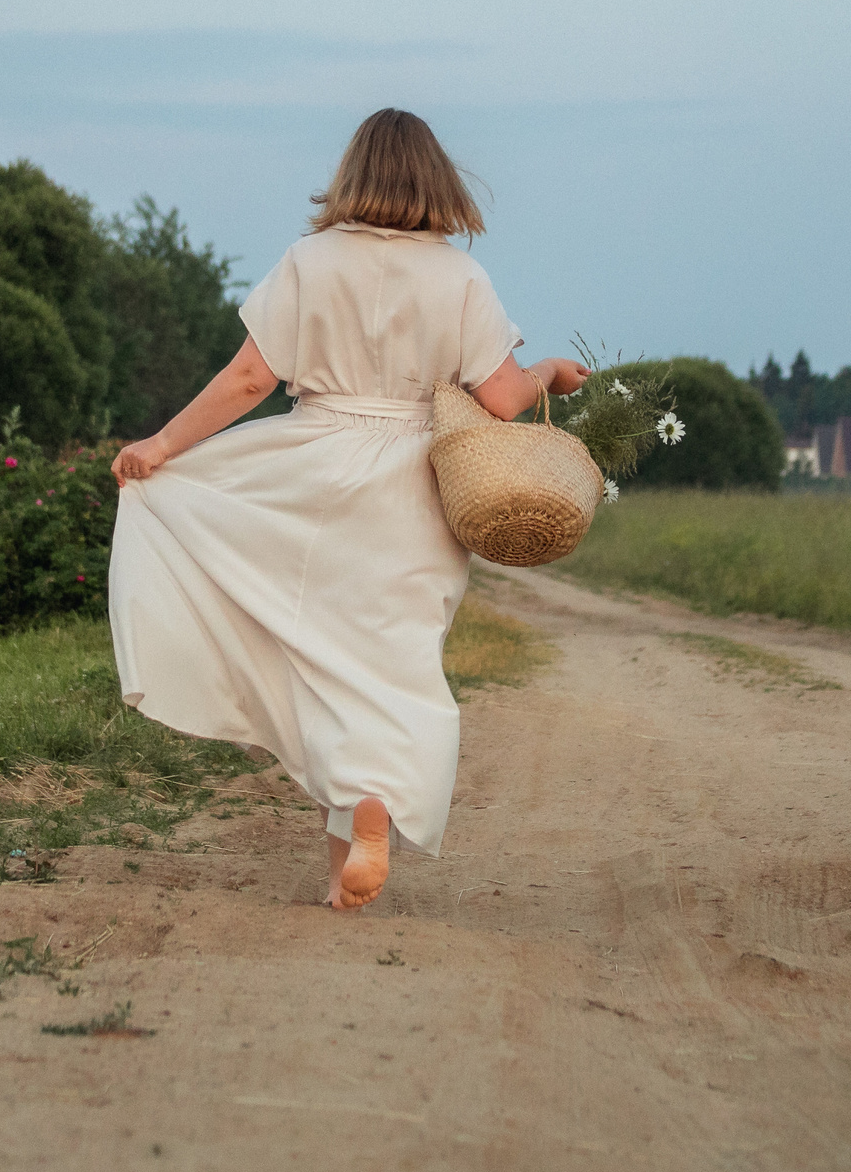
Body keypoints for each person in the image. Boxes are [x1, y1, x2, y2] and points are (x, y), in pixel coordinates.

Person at [107, 109, 587, 911]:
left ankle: (346, 862)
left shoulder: (308, 261)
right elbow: (502, 398)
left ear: (352, 175)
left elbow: (249, 380)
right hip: (412, 488)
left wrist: (163, 445)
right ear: (437, 181)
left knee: (322, 658)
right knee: (393, 661)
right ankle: (373, 809)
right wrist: (550, 372)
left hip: (312, 469)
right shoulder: (460, 278)